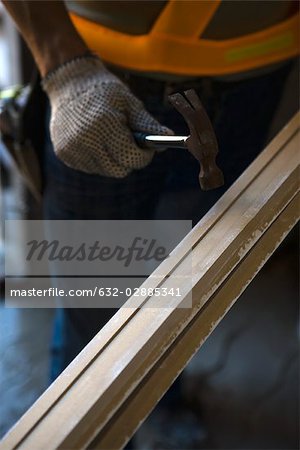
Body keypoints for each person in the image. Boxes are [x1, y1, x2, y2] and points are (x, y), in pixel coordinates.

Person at [2, 1, 299, 447]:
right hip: (98, 71)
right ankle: (84, 425)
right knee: (96, 292)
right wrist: (65, 69)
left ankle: (160, 399)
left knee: (180, 276)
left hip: (253, 72)